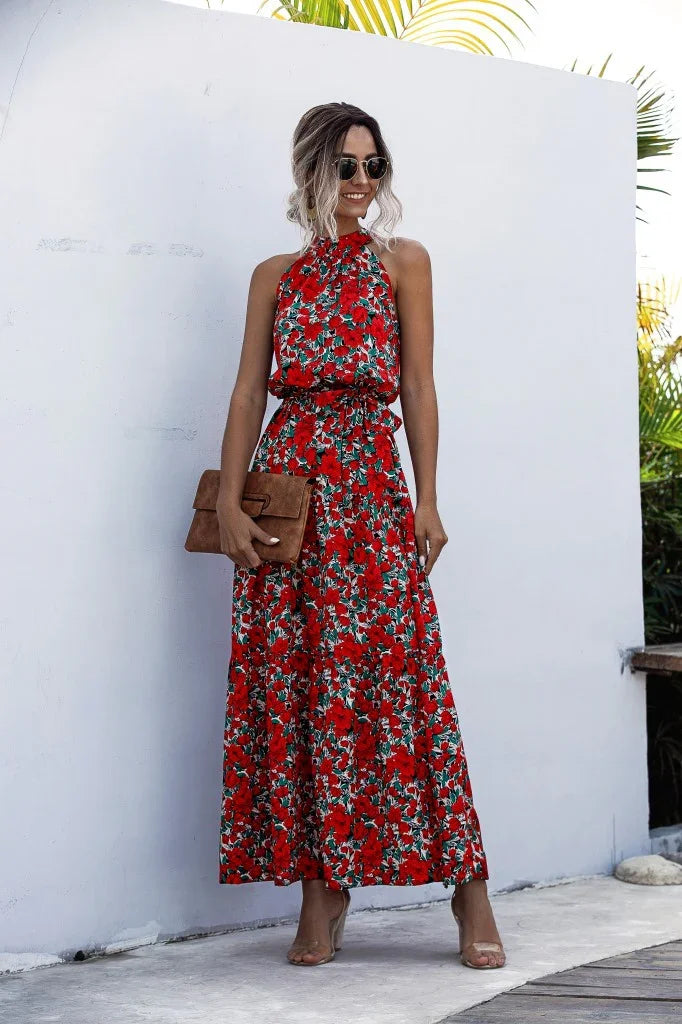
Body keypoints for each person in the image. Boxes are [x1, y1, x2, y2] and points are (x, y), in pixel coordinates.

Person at [215, 101, 506, 970]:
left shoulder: (401, 263)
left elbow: (418, 385)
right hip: (290, 499)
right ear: (311, 170)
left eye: (374, 165)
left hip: (373, 495)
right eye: (346, 165)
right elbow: (245, 396)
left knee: (404, 677)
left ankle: (469, 889)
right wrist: (230, 501)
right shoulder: (275, 274)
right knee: (304, 684)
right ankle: (322, 890)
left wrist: (428, 498)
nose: (363, 182)